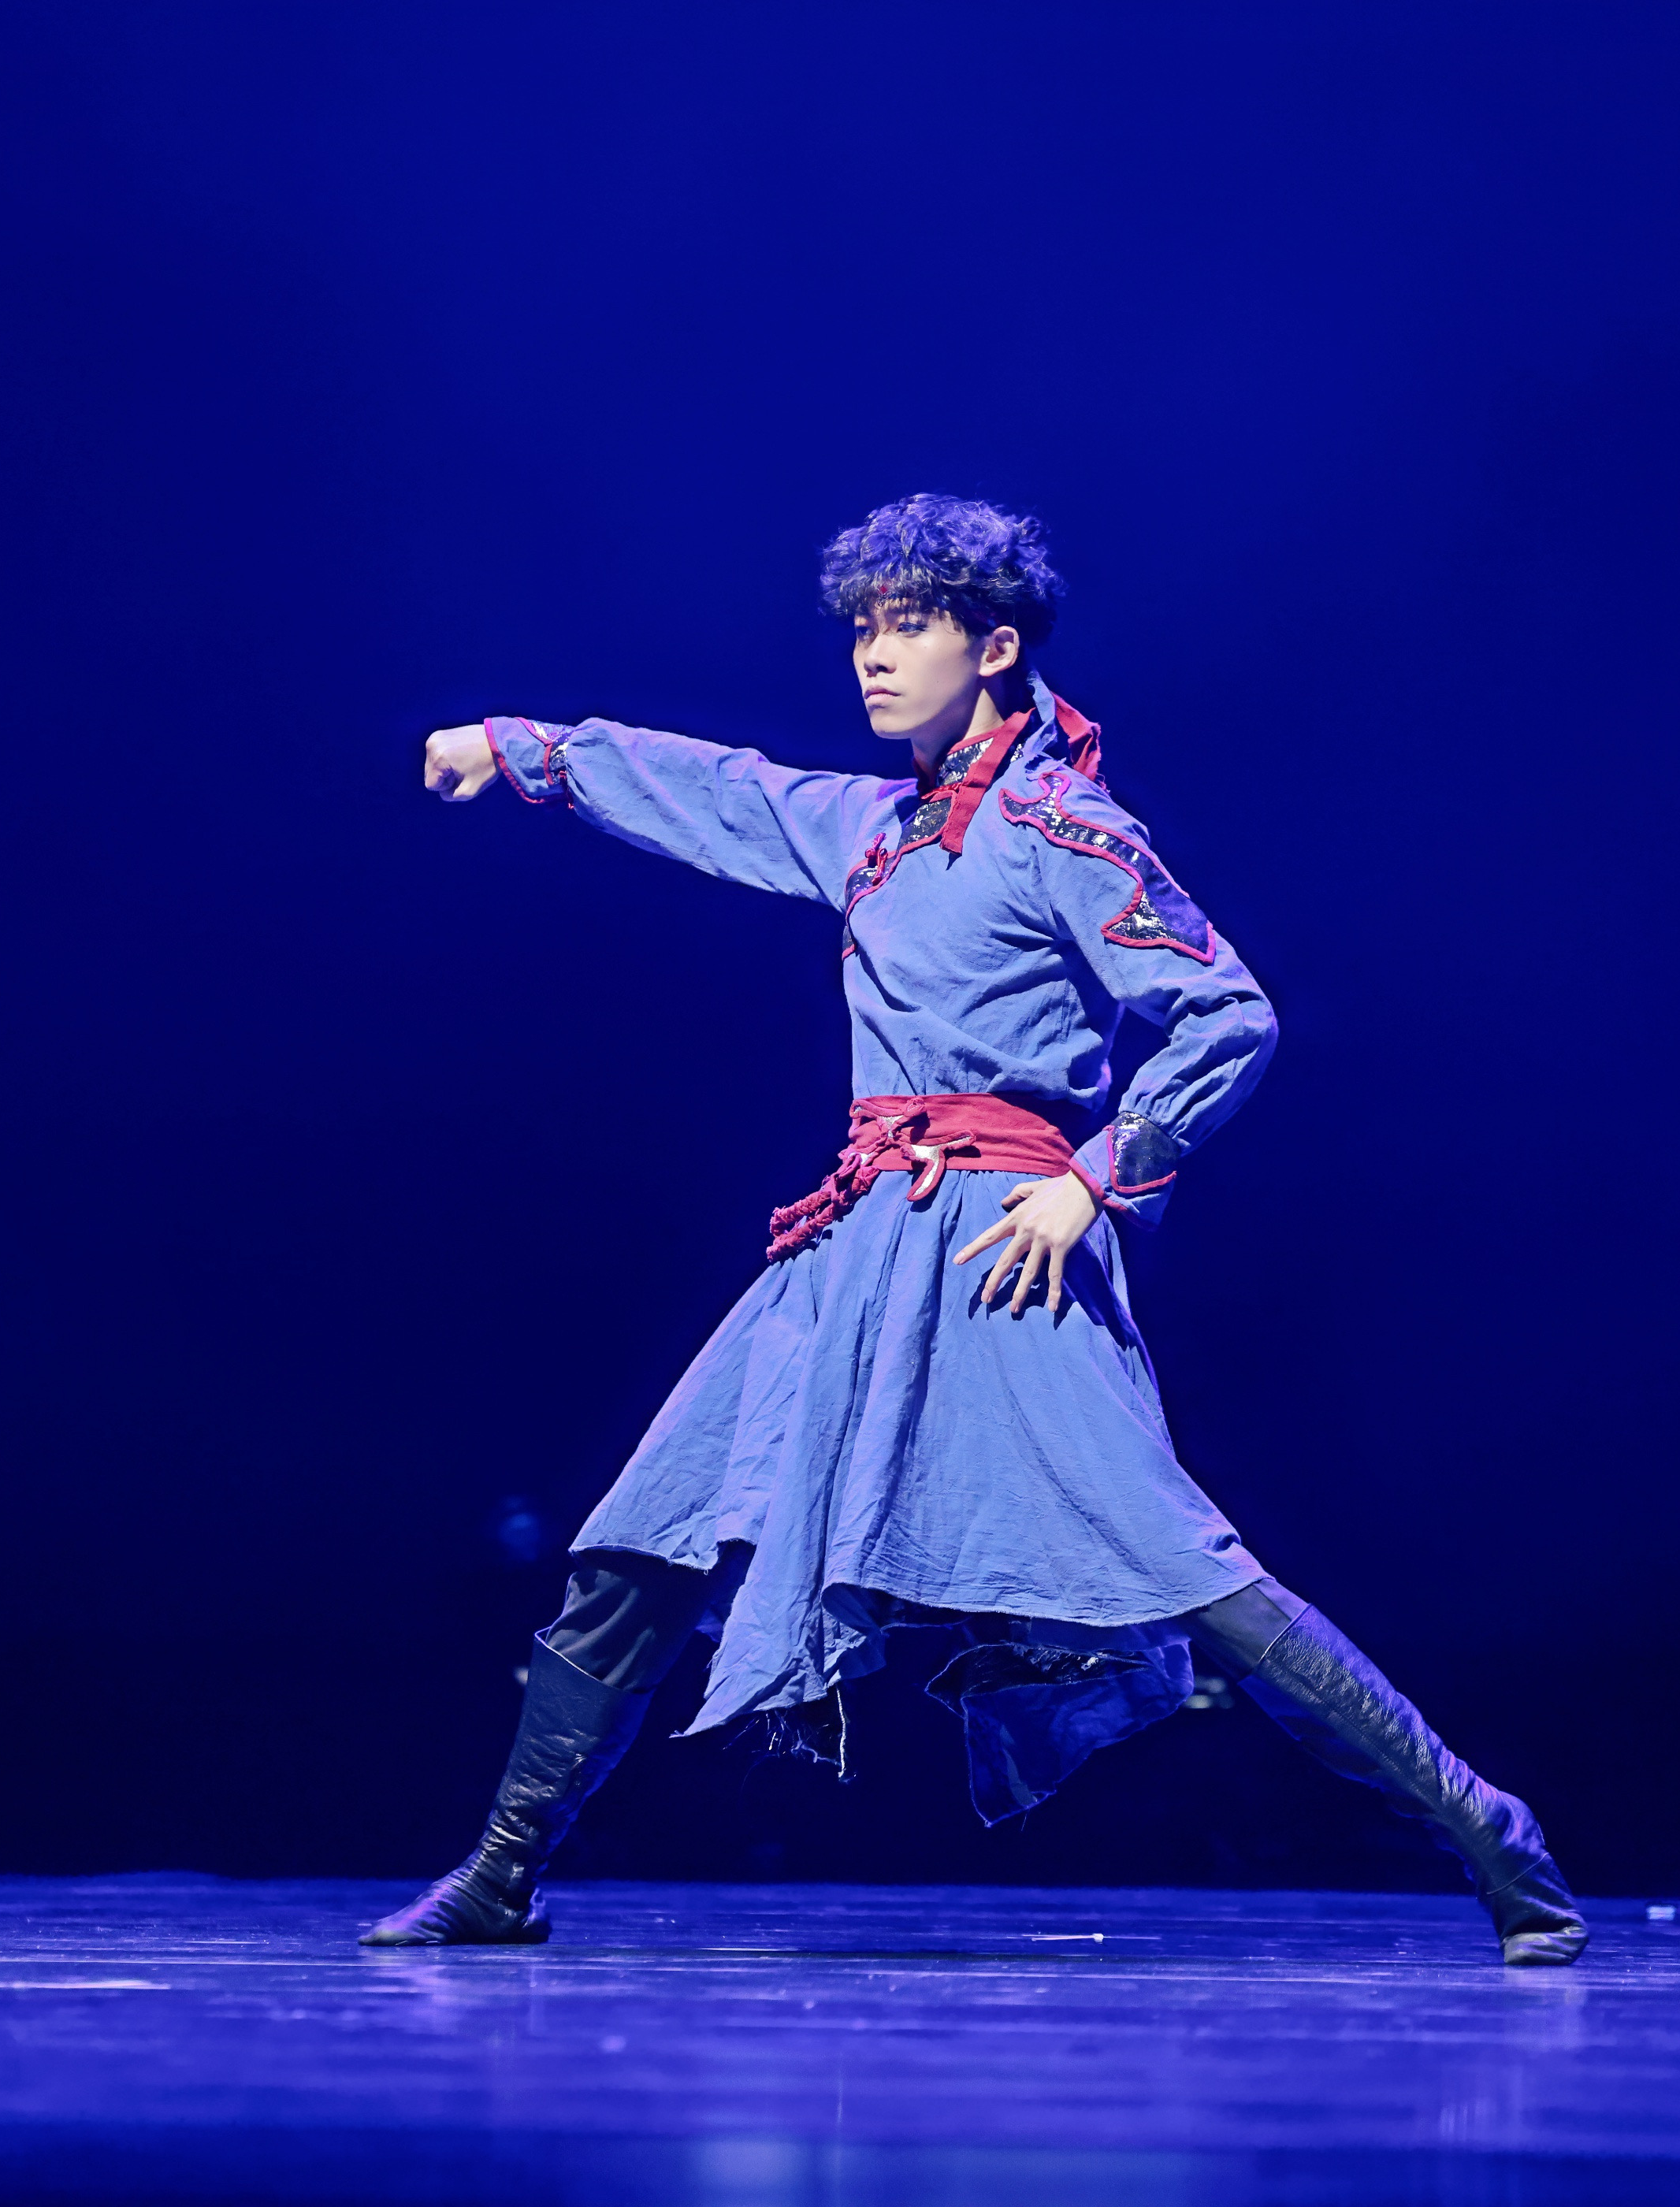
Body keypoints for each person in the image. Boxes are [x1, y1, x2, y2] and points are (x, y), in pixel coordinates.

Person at [371, 495, 1585, 1965]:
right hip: (849, 1245)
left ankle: (1490, 1829)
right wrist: (522, 748)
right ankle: (500, 1876)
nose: (873, 658)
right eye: (861, 631)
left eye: (909, 627)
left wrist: (1099, 1174)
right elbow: (722, 787)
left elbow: (1228, 1012)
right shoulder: (873, 831)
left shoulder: (1064, 829)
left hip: (999, 1249)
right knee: (647, 1534)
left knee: (1186, 1573)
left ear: (995, 646)